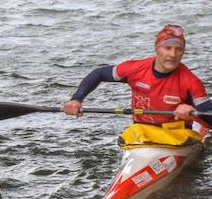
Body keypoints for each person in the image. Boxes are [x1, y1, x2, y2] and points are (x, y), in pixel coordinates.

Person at [62, 24, 210, 128]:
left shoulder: (190, 81)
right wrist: (76, 99)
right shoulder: (135, 69)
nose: (173, 54)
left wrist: (192, 113)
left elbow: (209, 114)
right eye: (168, 48)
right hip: (142, 130)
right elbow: (98, 74)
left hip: (177, 133)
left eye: (179, 49)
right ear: (157, 49)